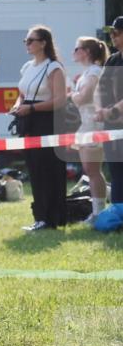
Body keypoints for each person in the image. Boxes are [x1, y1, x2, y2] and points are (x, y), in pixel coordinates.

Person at [10, 25, 68, 231]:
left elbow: (60, 100)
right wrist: (18, 106)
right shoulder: (27, 67)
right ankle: (40, 216)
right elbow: (23, 93)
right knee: (34, 169)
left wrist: (31, 108)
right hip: (30, 122)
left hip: (48, 122)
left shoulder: (53, 67)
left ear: (43, 43)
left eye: (31, 40)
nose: (27, 44)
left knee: (48, 169)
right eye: (25, 40)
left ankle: (51, 217)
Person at [72, 36, 109, 222]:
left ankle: (98, 212)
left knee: (93, 170)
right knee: (91, 170)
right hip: (87, 123)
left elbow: (84, 97)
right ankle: (100, 207)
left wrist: (72, 94)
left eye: (77, 48)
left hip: (94, 124)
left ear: (86, 52)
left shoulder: (94, 71)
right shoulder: (88, 72)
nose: (74, 52)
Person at [94, 16, 123, 204]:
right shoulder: (112, 60)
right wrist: (99, 110)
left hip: (115, 118)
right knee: (116, 173)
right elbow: (99, 88)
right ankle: (118, 216)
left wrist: (112, 111)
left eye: (117, 33)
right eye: (111, 33)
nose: (112, 36)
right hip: (111, 127)